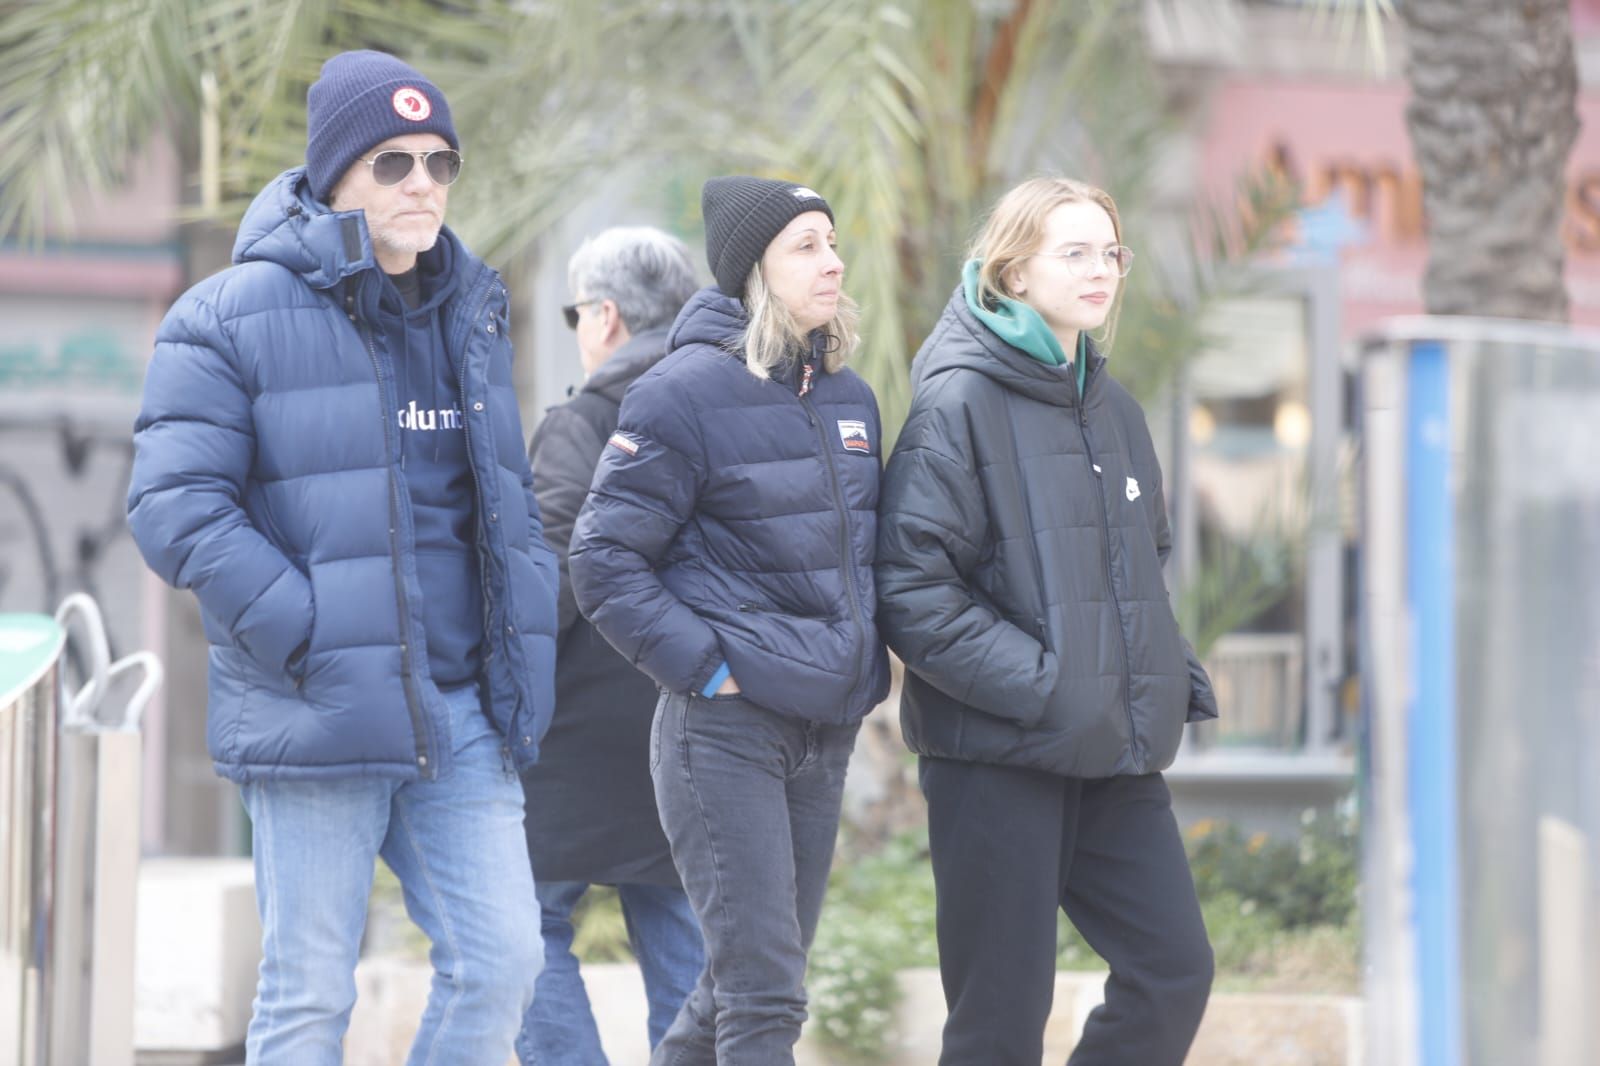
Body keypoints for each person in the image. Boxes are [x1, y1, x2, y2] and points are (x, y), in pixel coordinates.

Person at [126, 50, 557, 1065]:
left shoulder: (473, 313)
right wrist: (309, 630)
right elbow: (173, 507)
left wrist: (522, 634)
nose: (423, 184)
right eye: (394, 162)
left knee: (505, 962)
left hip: (458, 710)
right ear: (332, 176)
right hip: (317, 703)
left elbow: (503, 506)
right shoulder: (225, 315)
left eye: (439, 162)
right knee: (310, 993)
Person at [875, 176, 1219, 1066]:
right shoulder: (957, 404)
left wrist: (1162, 673)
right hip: (1000, 759)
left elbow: (1145, 562)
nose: (1101, 270)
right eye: (1074, 252)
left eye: (1110, 252)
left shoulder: (1115, 410)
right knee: (998, 1026)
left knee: (1174, 970)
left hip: (1113, 752)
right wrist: (1044, 682)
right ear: (1014, 270)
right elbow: (912, 588)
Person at [568, 176, 890, 1065]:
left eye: (832, 241)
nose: (832, 262)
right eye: (806, 247)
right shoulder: (682, 393)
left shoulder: (849, 400)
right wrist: (709, 669)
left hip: (822, 734)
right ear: (752, 272)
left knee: (735, 987)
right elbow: (601, 558)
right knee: (764, 997)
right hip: (723, 732)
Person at [516, 226, 706, 1064]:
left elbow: (553, 574)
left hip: (578, 726)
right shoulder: (722, 409)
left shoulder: (583, 423)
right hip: (692, 715)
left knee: (520, 929)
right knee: (685, 942)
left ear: (605, 316)